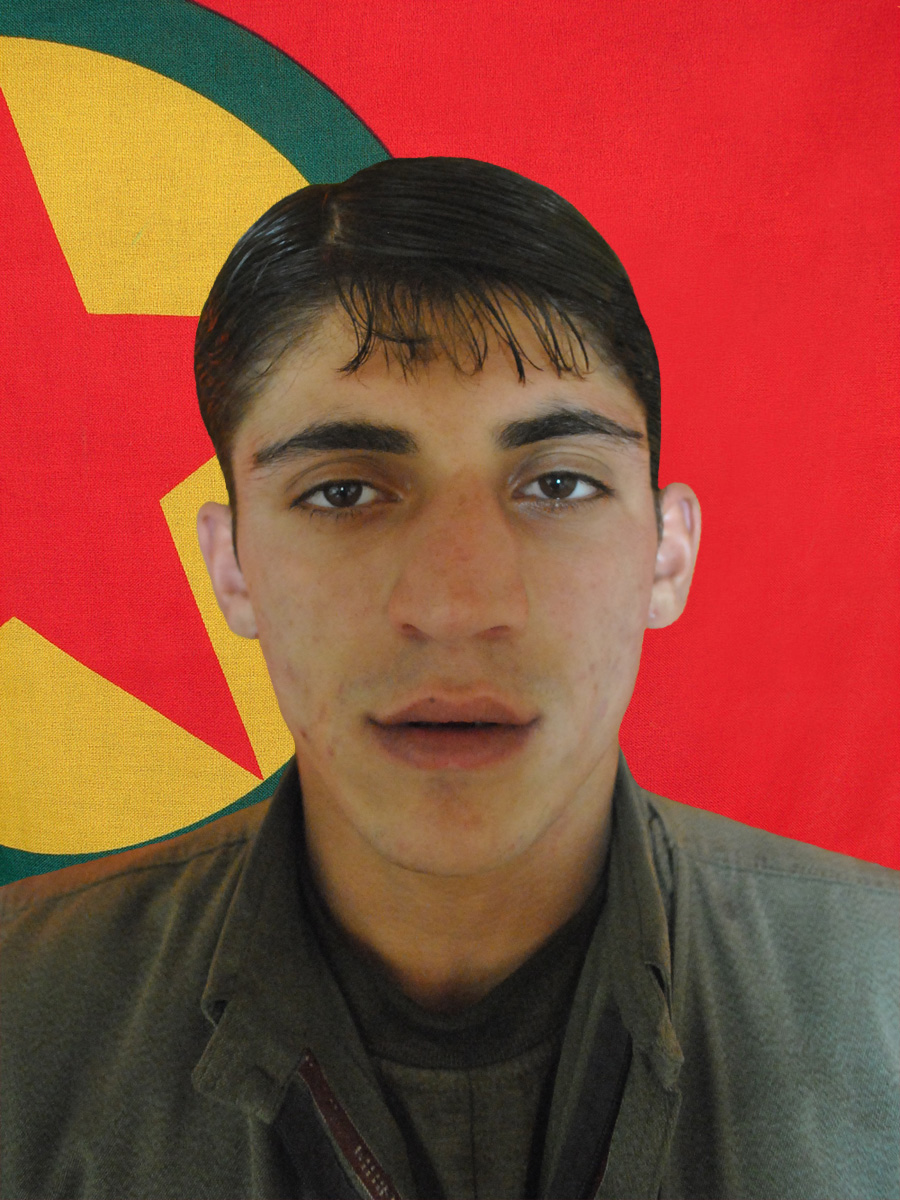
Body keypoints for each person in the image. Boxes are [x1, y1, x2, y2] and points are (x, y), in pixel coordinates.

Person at [1, 157, 897, 1200]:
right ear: (231, 566)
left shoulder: (882, 994)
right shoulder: (22, 1018)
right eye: (344, 493)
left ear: (668, 553)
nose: (458, 603)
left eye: (558, 484)